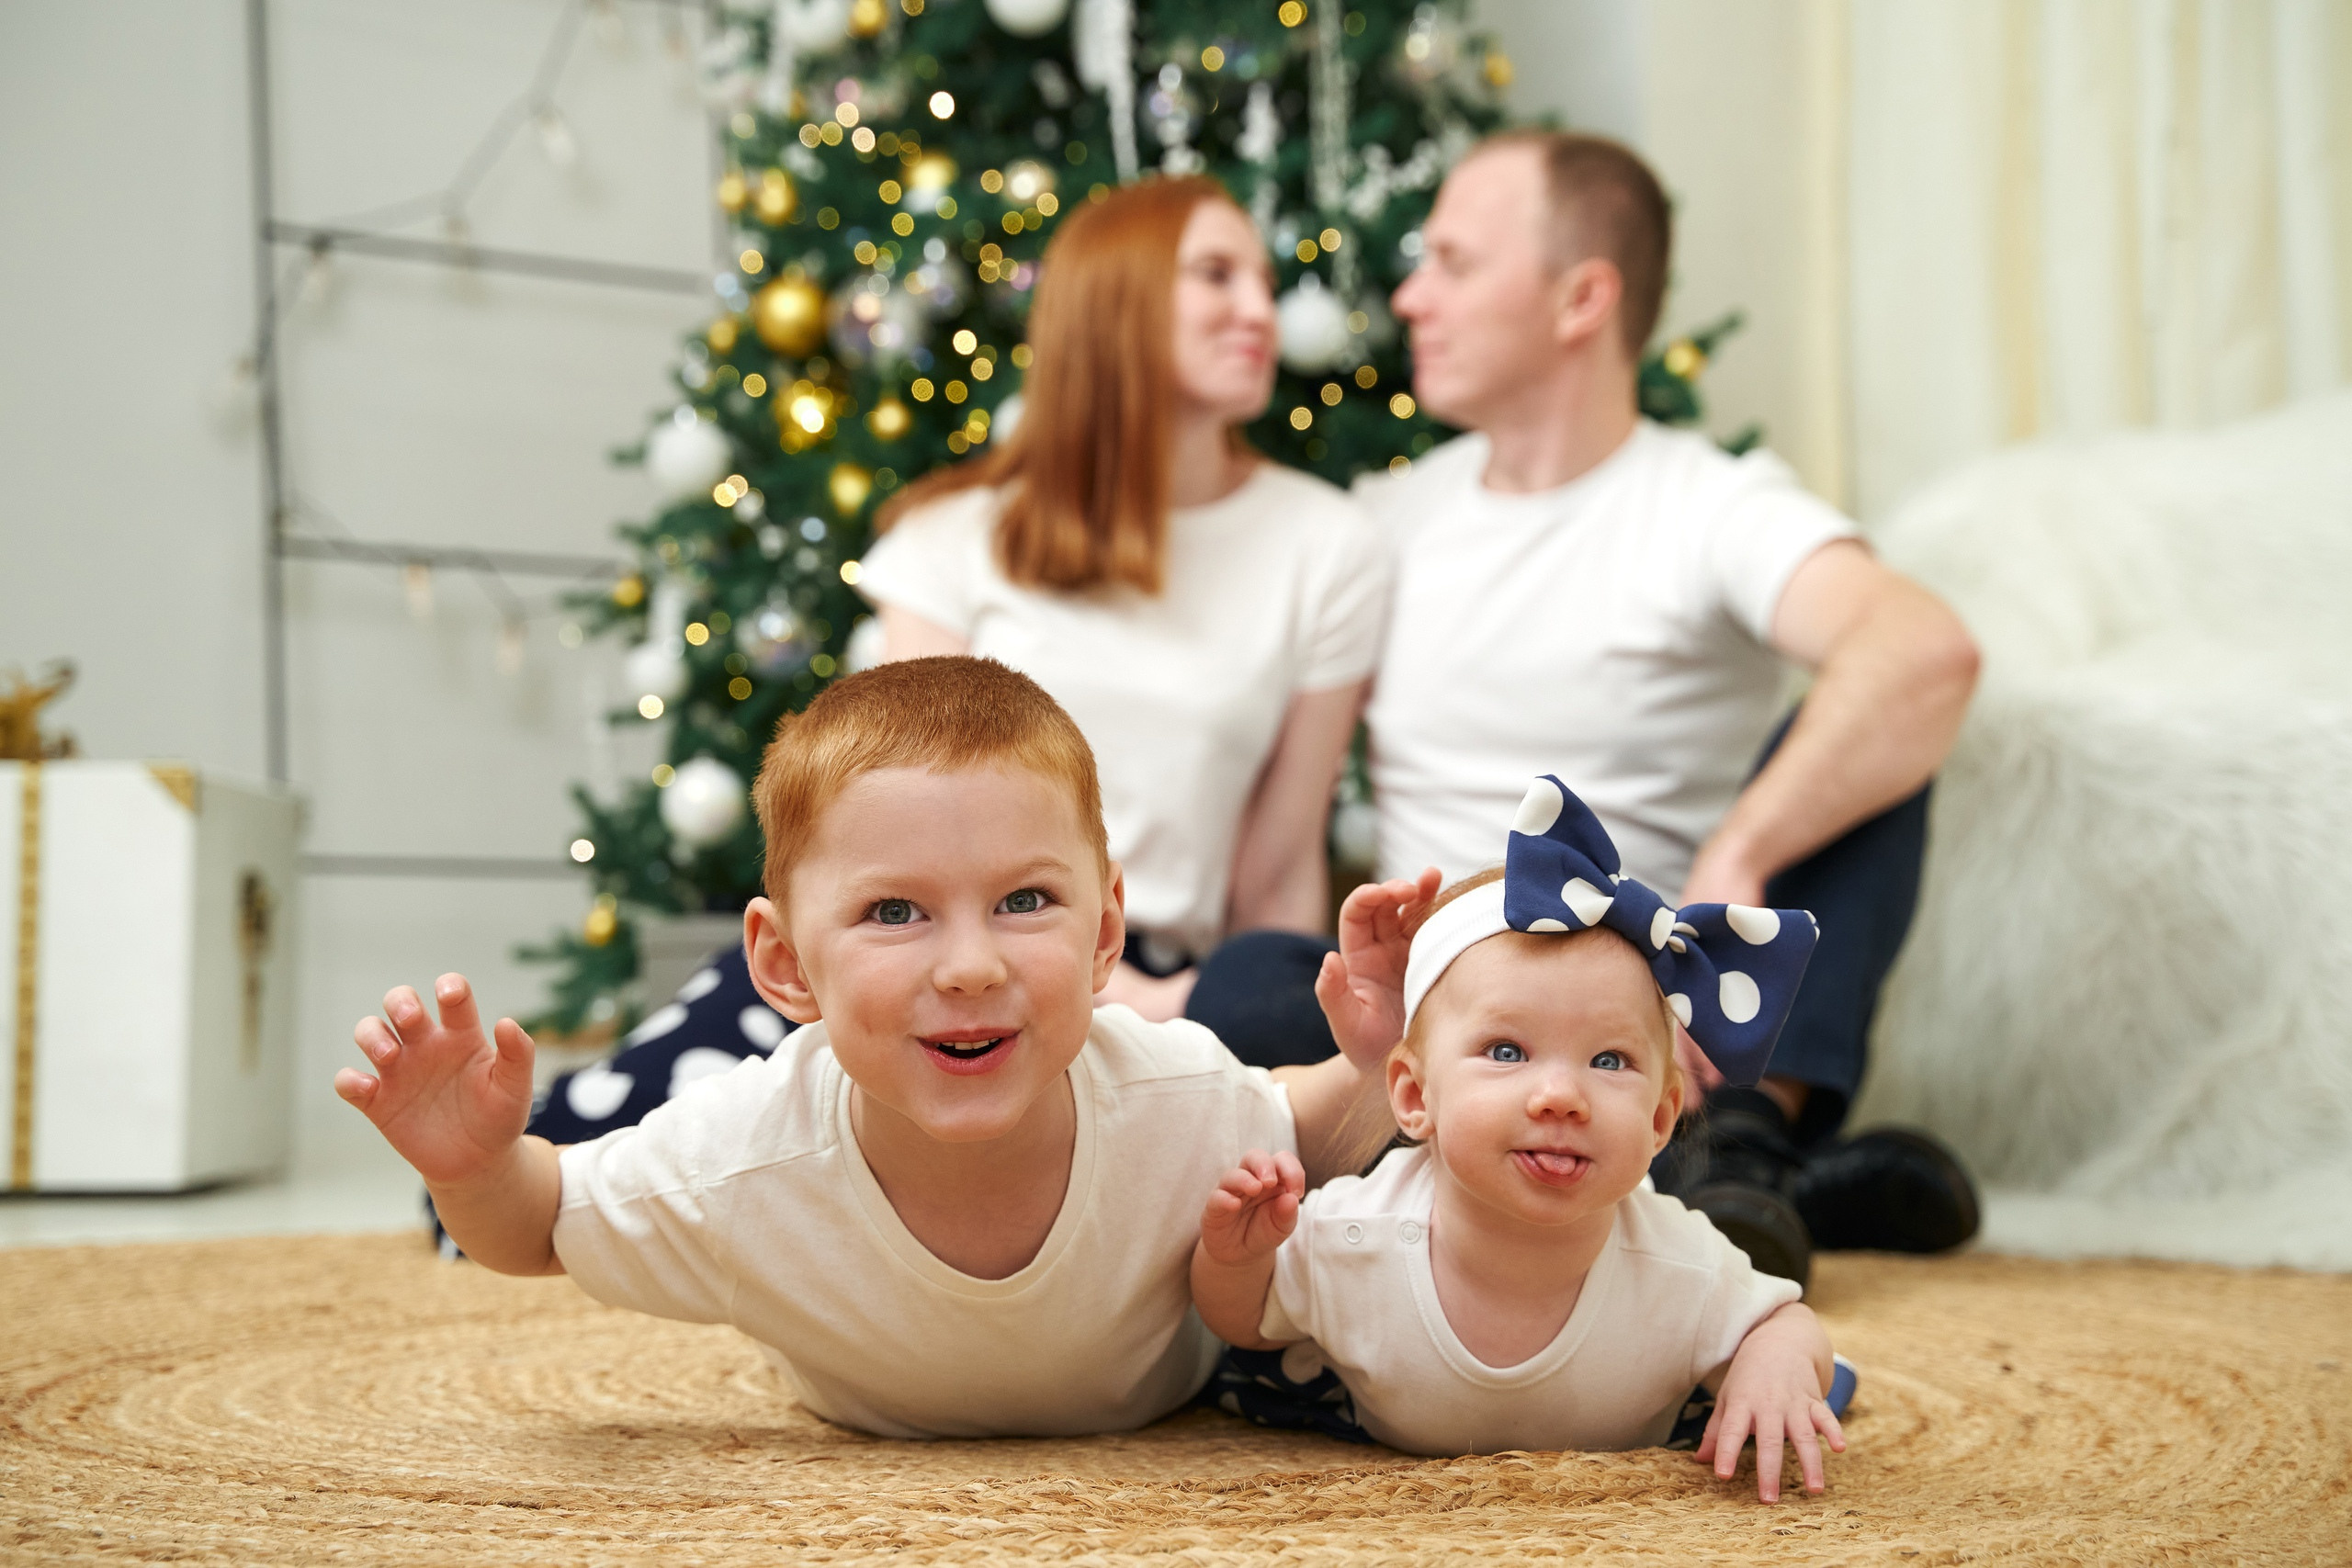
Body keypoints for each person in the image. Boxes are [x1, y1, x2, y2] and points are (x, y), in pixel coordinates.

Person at [342, 657, 1421, 1438]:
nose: (967, 968)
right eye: (895, 913)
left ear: (1103, 936)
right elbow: (533, 1227)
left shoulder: (1170, 1093)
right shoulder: (745, 1157)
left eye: (1024, 901)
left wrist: (1376, 1059)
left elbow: (1314, 1133)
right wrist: (475, 1166)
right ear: (784, 966)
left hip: (1177, 1390)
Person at [1359, 131, 1985, 1284]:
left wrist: (1737, 855)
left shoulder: (1707, 504)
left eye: (1451, 262)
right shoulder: (1380, 526)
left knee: (1876, 746)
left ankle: (1740, 1134)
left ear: (1581, 297)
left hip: (1664, 1026)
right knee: (1254, 979)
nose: (1411, 295)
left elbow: (1922, 652)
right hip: (1454, 1029)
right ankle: (1765, 1176)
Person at [855, 173, 1388, 1067]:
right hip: (950, 968)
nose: (1261, 309)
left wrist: (1277, 1054)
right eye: (1216, 275)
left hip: (1181, 990)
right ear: (1116, 297)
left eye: (1264, 279)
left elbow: (1280, 864)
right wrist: (1110, 996)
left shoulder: (1327, 545)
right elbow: (905, 836)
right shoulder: (946, 542)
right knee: (611, 1151)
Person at [1192, 780, 1849, 1501]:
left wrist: (1775, 1365)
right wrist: (1234, 1256)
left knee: (1803, 1375)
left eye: (1609, 1061)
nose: (1561, 1096)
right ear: (1412, 1095)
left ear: (1662, 1120)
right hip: (1371, 1408)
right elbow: (1248, 1321)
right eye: (1507, 1051)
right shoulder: (1356, 1233)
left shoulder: (1676, 1264)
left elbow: (1785, 1319)